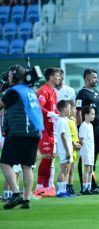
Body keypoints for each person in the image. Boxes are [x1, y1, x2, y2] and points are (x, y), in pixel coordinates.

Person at [0, 65, 43, 209]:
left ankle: (16, 193)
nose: (8, 78)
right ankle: (26, 200)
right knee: (27, 166)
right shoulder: (31, 91)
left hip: (19, 132)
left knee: (6, 163)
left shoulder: (14, 92)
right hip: (34, 133)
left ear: (16, 76)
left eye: (10, 76)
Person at [76, 69, 99, 193]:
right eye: (94, 78)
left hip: (96, 129)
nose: (96, 80)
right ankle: (85, 185)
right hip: (86, 130)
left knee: (93, 158)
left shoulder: (96, 92)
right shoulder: (82, 94)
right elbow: (78, 112)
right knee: (84, 157)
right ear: (87, 78)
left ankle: (92, 183)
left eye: (96, 77)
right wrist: (79, 128)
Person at [35, 67, 61, 197]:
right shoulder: (43, 90)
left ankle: (47, 186)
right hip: (43, 129)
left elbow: (54, 109)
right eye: (57, 75)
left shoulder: (53, 91)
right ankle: (39, 187)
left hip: (52, 130)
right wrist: (50, 113)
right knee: (46, 156)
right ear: (50, 77)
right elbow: (38, 107)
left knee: (50, 158)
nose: (59, 78)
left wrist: (59, 115)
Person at [55, 100, 74, 198]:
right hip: (64, 149)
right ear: (63, 108)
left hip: (68, 148)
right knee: (63, 169)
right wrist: (67, 150)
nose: (70, 110)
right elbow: (62, 136)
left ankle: (63, 190)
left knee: (66, 170)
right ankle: (60, 191)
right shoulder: (61, 121)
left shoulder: (64, 119)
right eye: (68, 108)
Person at [79, 106, 96, 195]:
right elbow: (81, 139)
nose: (94, 116)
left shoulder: (91, 125)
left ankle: (89, 187)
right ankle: (85, 188)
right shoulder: (83, 125)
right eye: (92, 114)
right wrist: (84, 149)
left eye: (94, 114)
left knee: (90, 169)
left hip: (91, 150)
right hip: (86, 151)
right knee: (86, 169)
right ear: (86, 115)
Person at [66, 100, 81, 194]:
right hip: (70, 147)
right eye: (74, 108)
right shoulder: (66, 121)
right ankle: (66, 187)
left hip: (75, 147)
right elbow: (66, 135)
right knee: (67, 168)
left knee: (72, 168)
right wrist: (73, 143)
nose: (75, 110)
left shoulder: (73, 120)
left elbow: (75, 133)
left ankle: (70, 187)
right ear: (69, 108)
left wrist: (78, 141)